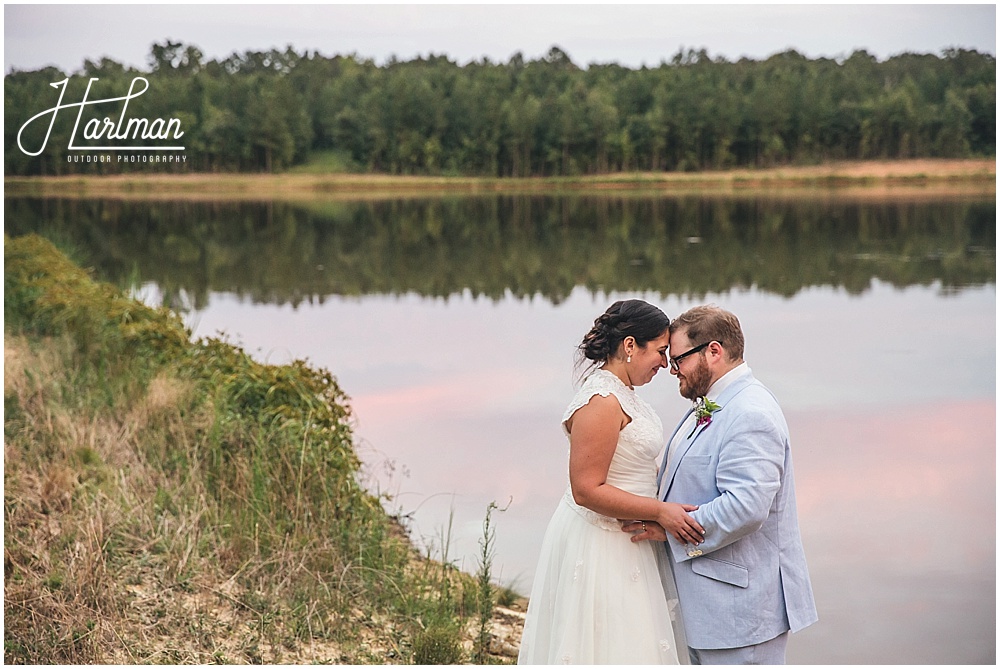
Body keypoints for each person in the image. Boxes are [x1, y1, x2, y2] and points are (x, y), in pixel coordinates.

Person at [624, 305, 818, 664]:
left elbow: (745, 507)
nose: (671, 368)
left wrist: (669, 529)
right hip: (710, 610)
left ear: (713, 351)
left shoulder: (750, 413)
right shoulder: (716, 402)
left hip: (740, 616)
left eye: (679, 358)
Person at [517, 299, 703, 665]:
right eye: (661, 351)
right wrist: (661, 511)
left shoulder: (623, 393)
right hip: (602, 545)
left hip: (631, 538)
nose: (665, 364)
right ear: (631, 345)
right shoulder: (601, 400)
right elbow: (586, 489)